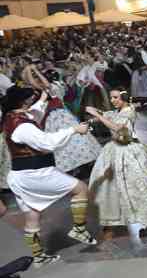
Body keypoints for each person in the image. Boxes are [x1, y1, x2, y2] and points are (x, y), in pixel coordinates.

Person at [2, 86, 96, 267]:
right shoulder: (22, 126)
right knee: (81, 189)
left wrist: (43, 100)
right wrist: (73, 130)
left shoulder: (11, 116)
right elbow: (47, 143)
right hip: (36, 173)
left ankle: (39, 257)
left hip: (20, 175)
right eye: (30, 99)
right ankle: (78, 229)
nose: (33, 101)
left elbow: (35, 112)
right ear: (23, 102)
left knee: (32, 215)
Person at [86, 90, 147, 243]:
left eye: (115, 98)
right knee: (111, 187)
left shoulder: (128, 111)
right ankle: (112, 221)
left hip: (128, 152)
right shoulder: (118, 111)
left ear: (124, 98)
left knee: (138, 187)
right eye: (111, 98)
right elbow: (107, 114)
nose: (112, 100)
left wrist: (99, 116)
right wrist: (94, 117)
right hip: (113, 151)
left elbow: (118, 128)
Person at [22, 65, 102, 175]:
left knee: (70, 139)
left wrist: (33, 70)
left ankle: (82, 165)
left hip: (57, 116)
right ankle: (80, 165)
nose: (38, 80)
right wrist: (32, 71)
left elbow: (43, 84)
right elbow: (34, 83)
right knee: (70, 139)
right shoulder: (48, 87)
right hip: (57, 116)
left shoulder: (51, 87)